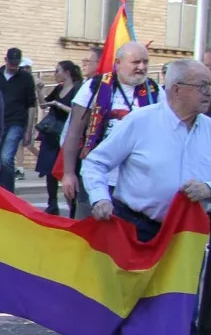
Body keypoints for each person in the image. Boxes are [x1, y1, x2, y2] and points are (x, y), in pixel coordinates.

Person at [82, 59, 211, 335]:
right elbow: (95, 163)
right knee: (133, 308)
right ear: (176, 89)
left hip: (184, 236)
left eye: (210, 86)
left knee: (182, 311)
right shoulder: (141, 122)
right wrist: (99, 198)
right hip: (137, 226)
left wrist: (210, 188)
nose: (208, 92)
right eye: (201, 86)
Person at [60, 41, 158, 219]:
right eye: (136, 62)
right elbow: (74, 132)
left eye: (145, 62)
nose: (142, 67)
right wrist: (68, 174)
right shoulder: (94, 87)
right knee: (88, 237)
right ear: (118, 63)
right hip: (95, 177)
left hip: (138, 183)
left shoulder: (155, 91)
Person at [35, 60, 82, 216]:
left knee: (65, 170)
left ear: (67, 73)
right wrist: (39, 91)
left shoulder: (77, 88)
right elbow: (44, 105)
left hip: (66, 133)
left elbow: (78, 112)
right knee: (49, 169)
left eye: (57, 71)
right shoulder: (59, 88)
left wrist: (59, 105)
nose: (55, 74)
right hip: (51, 133)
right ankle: (52, 203)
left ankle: (72, 205)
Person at [0, 47, 39, 193]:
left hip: (16, 122)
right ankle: (3, 192)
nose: (14, 67)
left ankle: (8, 192)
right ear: (5, 60)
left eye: (16, 64)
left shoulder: (26, 78)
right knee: (1, 162)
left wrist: (29, 130)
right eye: (11, 63)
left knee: (6, 157)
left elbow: (31, 105)